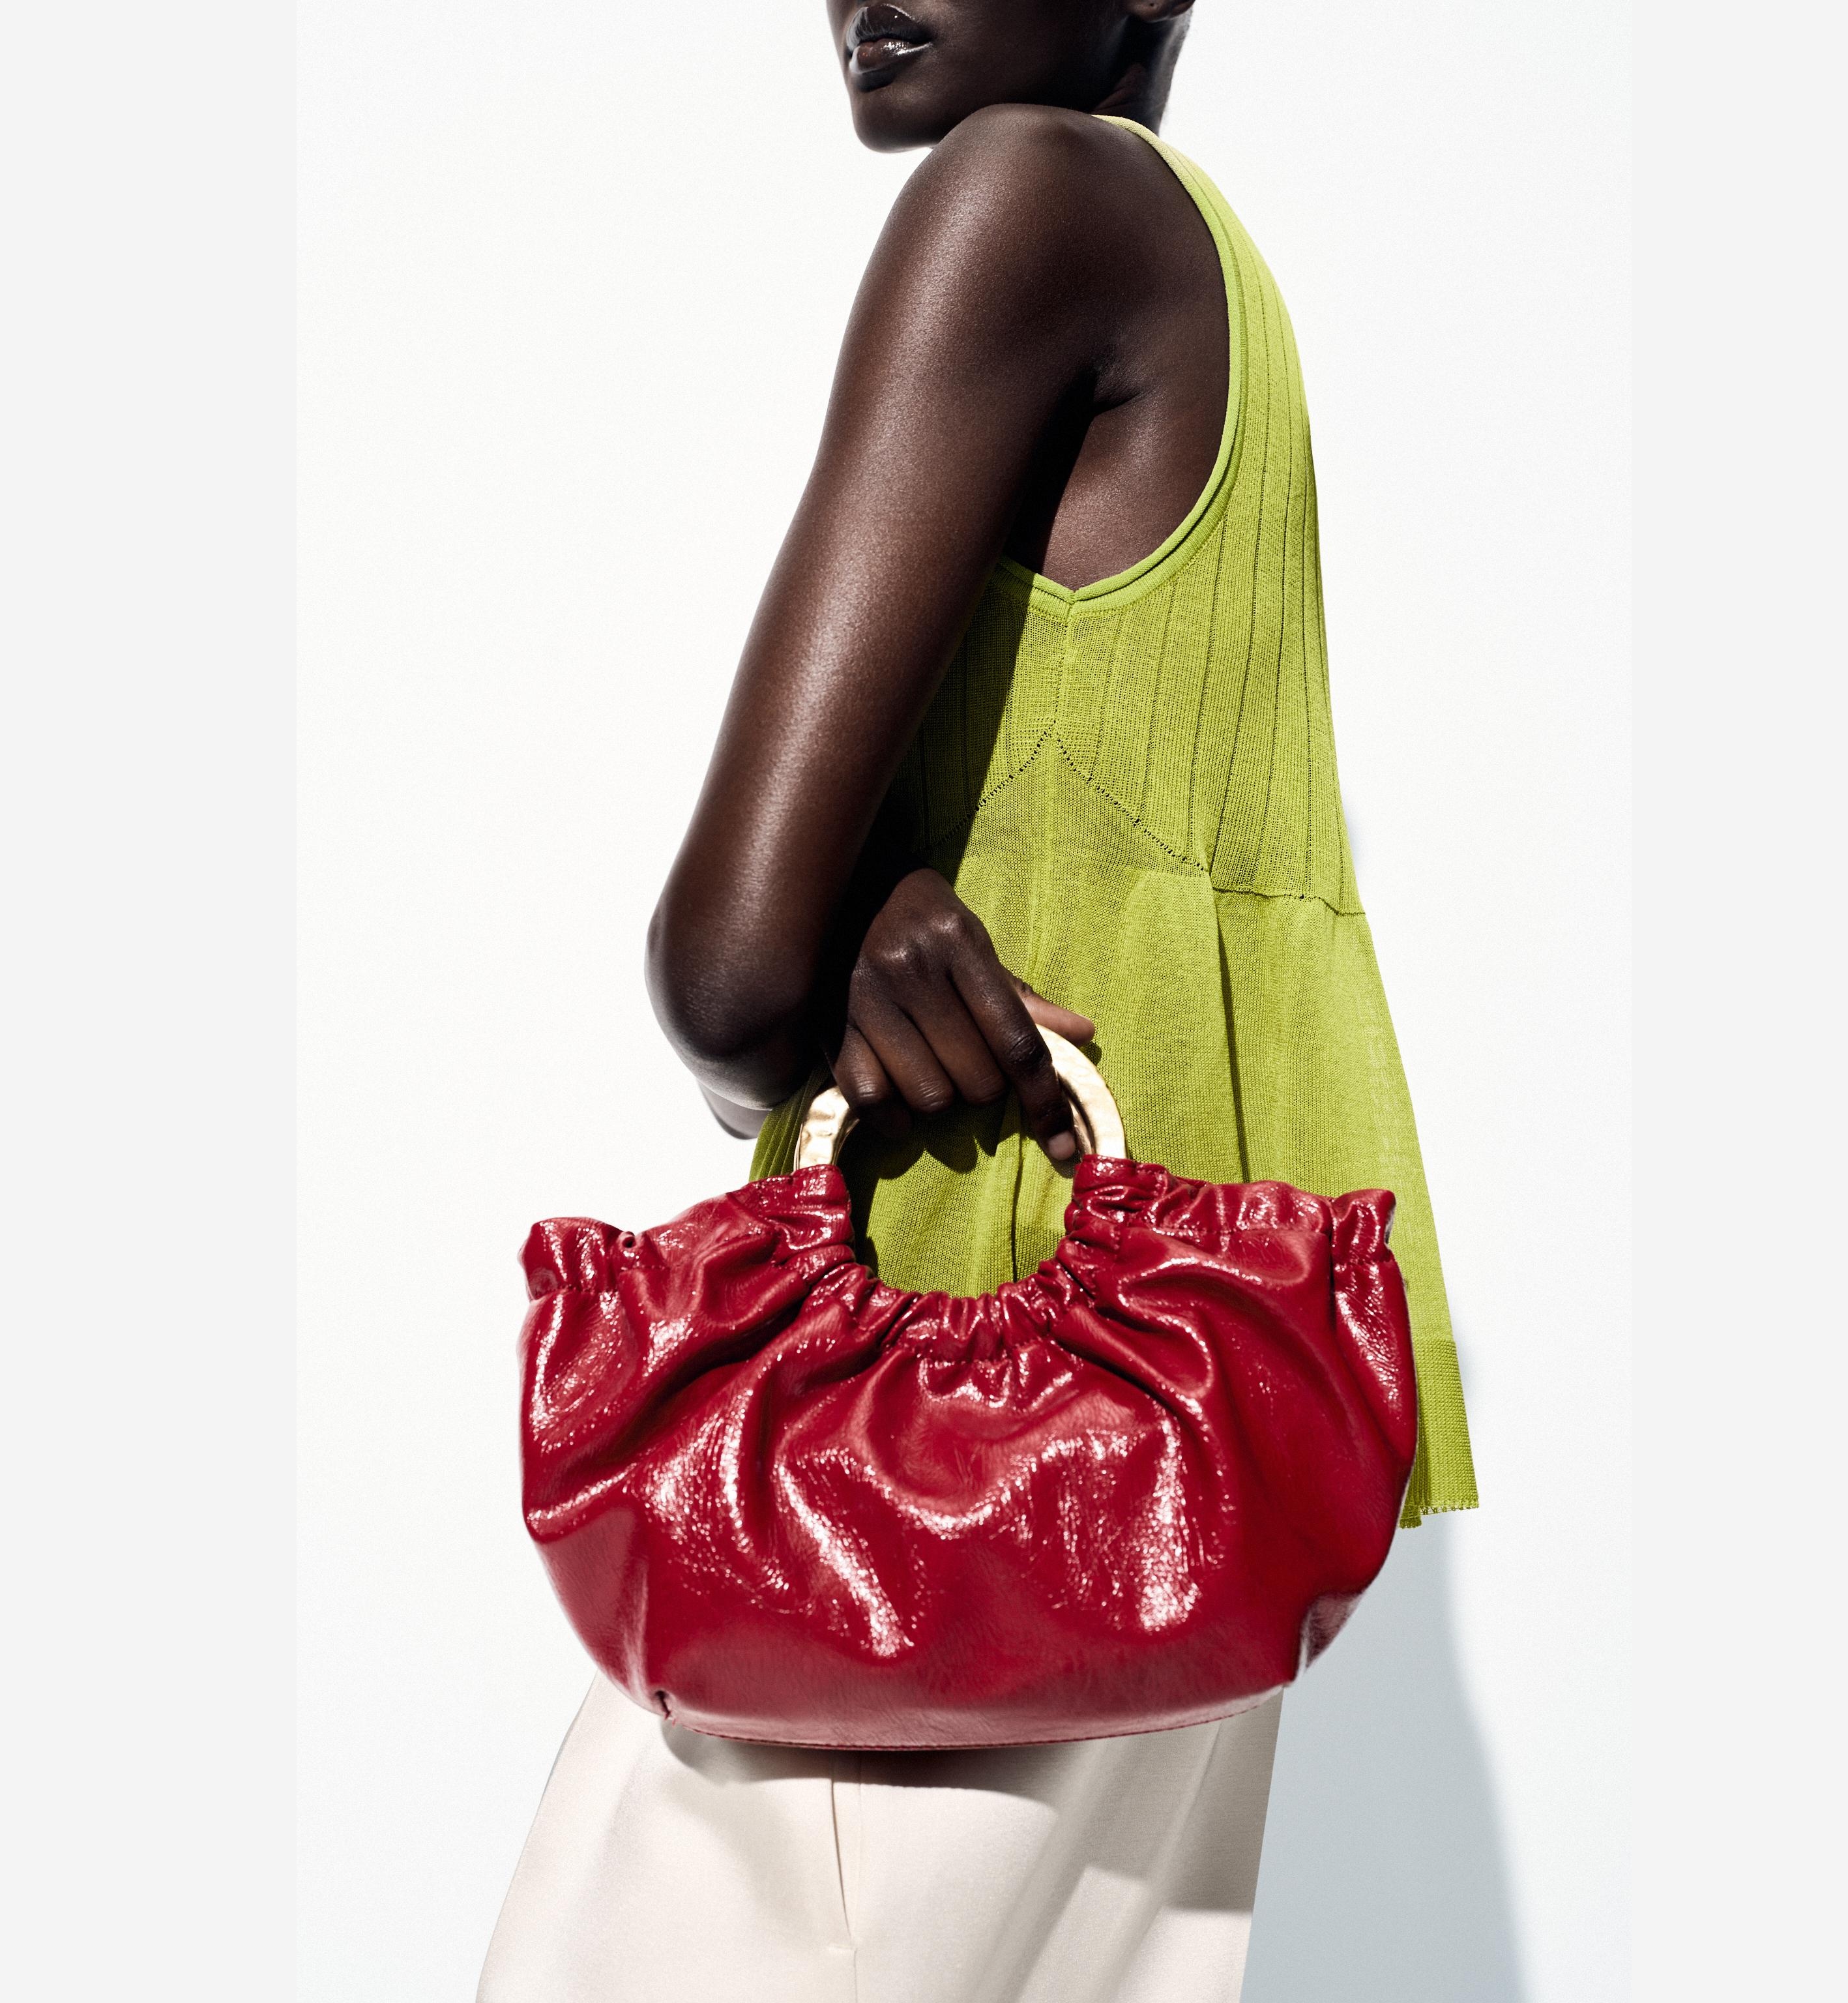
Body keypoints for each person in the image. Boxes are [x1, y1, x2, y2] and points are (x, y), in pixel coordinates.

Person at [480, 3, 1476, 1996]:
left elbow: (730, 970)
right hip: (1186, 1431)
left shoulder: (1020, 196)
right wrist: (867, 911)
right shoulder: (1222, 281)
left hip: (932, 1401)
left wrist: (817, 939)